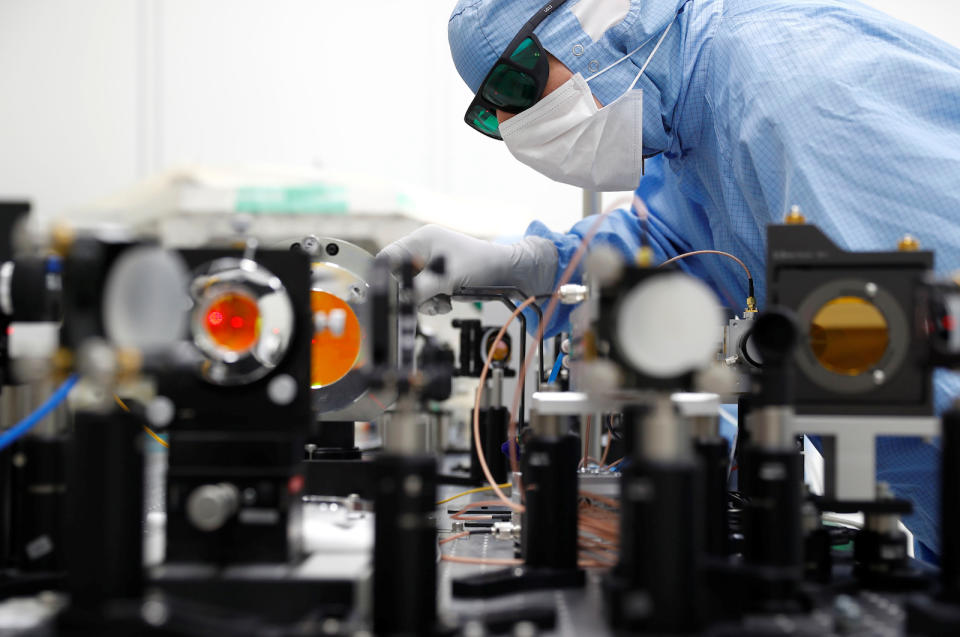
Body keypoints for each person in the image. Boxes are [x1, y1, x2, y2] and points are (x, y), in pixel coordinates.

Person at [379, 0, 960, 561]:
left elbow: (921, 346)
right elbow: (677, 252)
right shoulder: (692, 116)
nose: (512, 124)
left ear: (599, 16)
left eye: (514, 86)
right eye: (490, 109)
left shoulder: (789, 85)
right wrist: (528, 262)